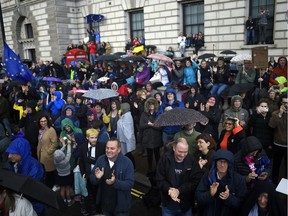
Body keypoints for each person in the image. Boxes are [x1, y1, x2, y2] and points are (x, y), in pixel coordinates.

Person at [156, 137, 203, 216]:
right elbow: (159, 179)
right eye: (180, 151)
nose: (182, 155)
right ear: (174, 148)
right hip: (168, 205)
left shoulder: (192, 161)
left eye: (185, 152)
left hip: (185, 206)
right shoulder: (165, 159)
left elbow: (195, 182)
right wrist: (169, 189)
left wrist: (179, 190)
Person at [90, 138, 135, 216]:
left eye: (112, 148)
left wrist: (115, 182)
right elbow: (92, 178)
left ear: (119, 150)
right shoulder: (101, 159)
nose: (108, 150)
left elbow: (130, 183)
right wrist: (97, 178)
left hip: (121, 208)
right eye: (107, 148)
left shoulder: (127, 163)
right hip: (105, 205)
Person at [196, 149, 247, 216]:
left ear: (229, 164)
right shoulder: (208, 176)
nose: (222, 165)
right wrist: (210, 194)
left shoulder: (238, 179)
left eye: (225, 162)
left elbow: (242, 204)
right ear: (215, 162)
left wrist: (229, 197)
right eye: (220, 161)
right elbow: (198, 198)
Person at [6, 138, 45, 214]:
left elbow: (30, 188)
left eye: (13, 153)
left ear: (22, 152)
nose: (9, 156)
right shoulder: (16, 163)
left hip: (35, 206)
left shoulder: (34, 166)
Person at [79, 128, 106, 215]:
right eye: (92, 137)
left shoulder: (102, 146)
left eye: (96, 137)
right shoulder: (83, 147)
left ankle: (99, 210)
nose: (94, 139)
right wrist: (83, 173)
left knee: (99, 193)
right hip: (88, 174)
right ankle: (93, 210)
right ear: (87, 138)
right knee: (90, 194)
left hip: (99, 175)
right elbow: (81, 161)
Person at [268, 93, 287, 185]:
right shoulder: (275, 113)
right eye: (284, 103)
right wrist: (280, 114)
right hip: (278, 144)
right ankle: (274, 183)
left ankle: (286, 187)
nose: (286, 105)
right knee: (276, 165)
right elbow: (272, 125)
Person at [139, 98, 162, 174]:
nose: (151, 106)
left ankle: (159, 169)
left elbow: (160, 127)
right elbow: (141, 125)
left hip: (156, 138)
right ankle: (150, 168)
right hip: (148, 138)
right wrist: (148, 124)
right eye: (150, 104)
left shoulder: (158, 114)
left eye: (152, 104)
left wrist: (151, 125)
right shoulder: (144, 114)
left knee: (157, 154)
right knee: (149, 155)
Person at [37, 114, 58, 188]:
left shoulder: (51, 130)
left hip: (48, 157)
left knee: (49, 174)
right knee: (44, 173)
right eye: (41, 121)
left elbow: (55, 143)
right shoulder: (40, 130)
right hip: (41, 155)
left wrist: (49, 152)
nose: (43, 123)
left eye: (45, 121)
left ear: (47, 121)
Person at [54, 136, 74, 206]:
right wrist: (68, 145)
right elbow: (69, 153)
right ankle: (69, 201)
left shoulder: (55, 161)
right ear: (63, 156)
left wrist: (63, 145)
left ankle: (64, 201)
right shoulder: (65, 161)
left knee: (62, 189)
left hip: (60, 176)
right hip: (67, 175)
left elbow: (58, 153)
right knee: (67, 189)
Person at [117, 103, 136, 168]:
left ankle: (132, 167)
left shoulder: (127, 116)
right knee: (127, 153)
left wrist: (119, 119)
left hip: (126, 139)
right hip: (125, 139)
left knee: (128, 154)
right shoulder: (126, 115)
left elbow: (124, 127)